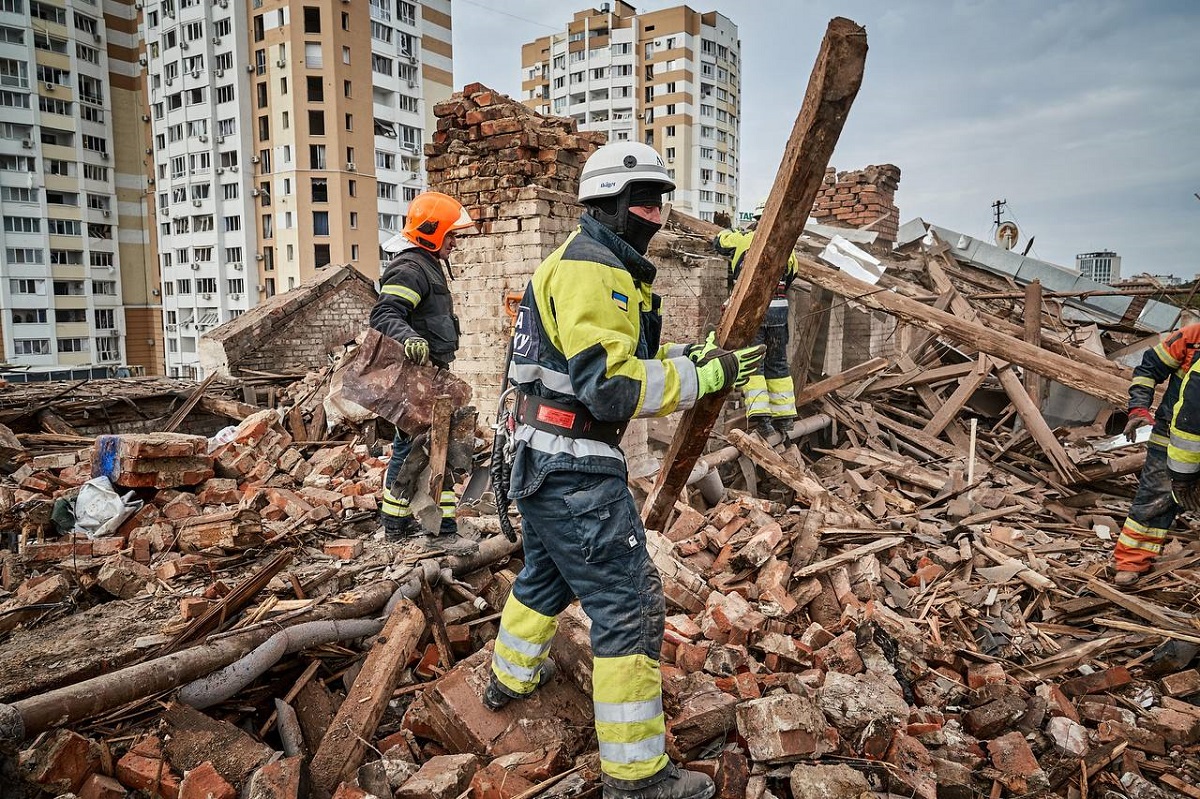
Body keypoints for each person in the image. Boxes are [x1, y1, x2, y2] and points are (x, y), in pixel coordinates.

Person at [484, 141, 764, 799]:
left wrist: (687, 356)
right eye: (646, 200)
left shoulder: (582, 263)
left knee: (547, 573)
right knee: (628, 601)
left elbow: (611, 355)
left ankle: (510, 675)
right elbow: (609, 388)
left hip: (544, 461)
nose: (658, 214)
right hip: (575, 467)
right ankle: (635, 778)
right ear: (609, 204)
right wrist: (702, 374)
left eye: (661, 199)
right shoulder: (594, 270)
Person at [369, 190, 478, 554]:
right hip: (416, 377)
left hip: (433, 375)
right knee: (416, 447)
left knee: (436, 448)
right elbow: (385, 315)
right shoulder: (410, 268)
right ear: (432, 232)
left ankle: (433, 524)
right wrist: (410, 337)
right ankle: (404, 526)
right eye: (450, 234)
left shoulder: (428, 265)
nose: (455, 241)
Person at [1114, 323, 1200, 585]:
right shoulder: (1192, 337)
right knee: (1156, 498)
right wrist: (1139, 407)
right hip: (1171, 435)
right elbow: (1148, 368)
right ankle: (1131, 561)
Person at [712, 201, 800, 439]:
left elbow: (720, 241)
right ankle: (785, 417)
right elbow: (792, 276)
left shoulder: (744, 239)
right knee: (778, 363)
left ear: (757, 220)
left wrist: (727, 232)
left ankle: (761, 418)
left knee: (754, 364)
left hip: (753, 314)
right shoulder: (788, 247)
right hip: (779, 314)